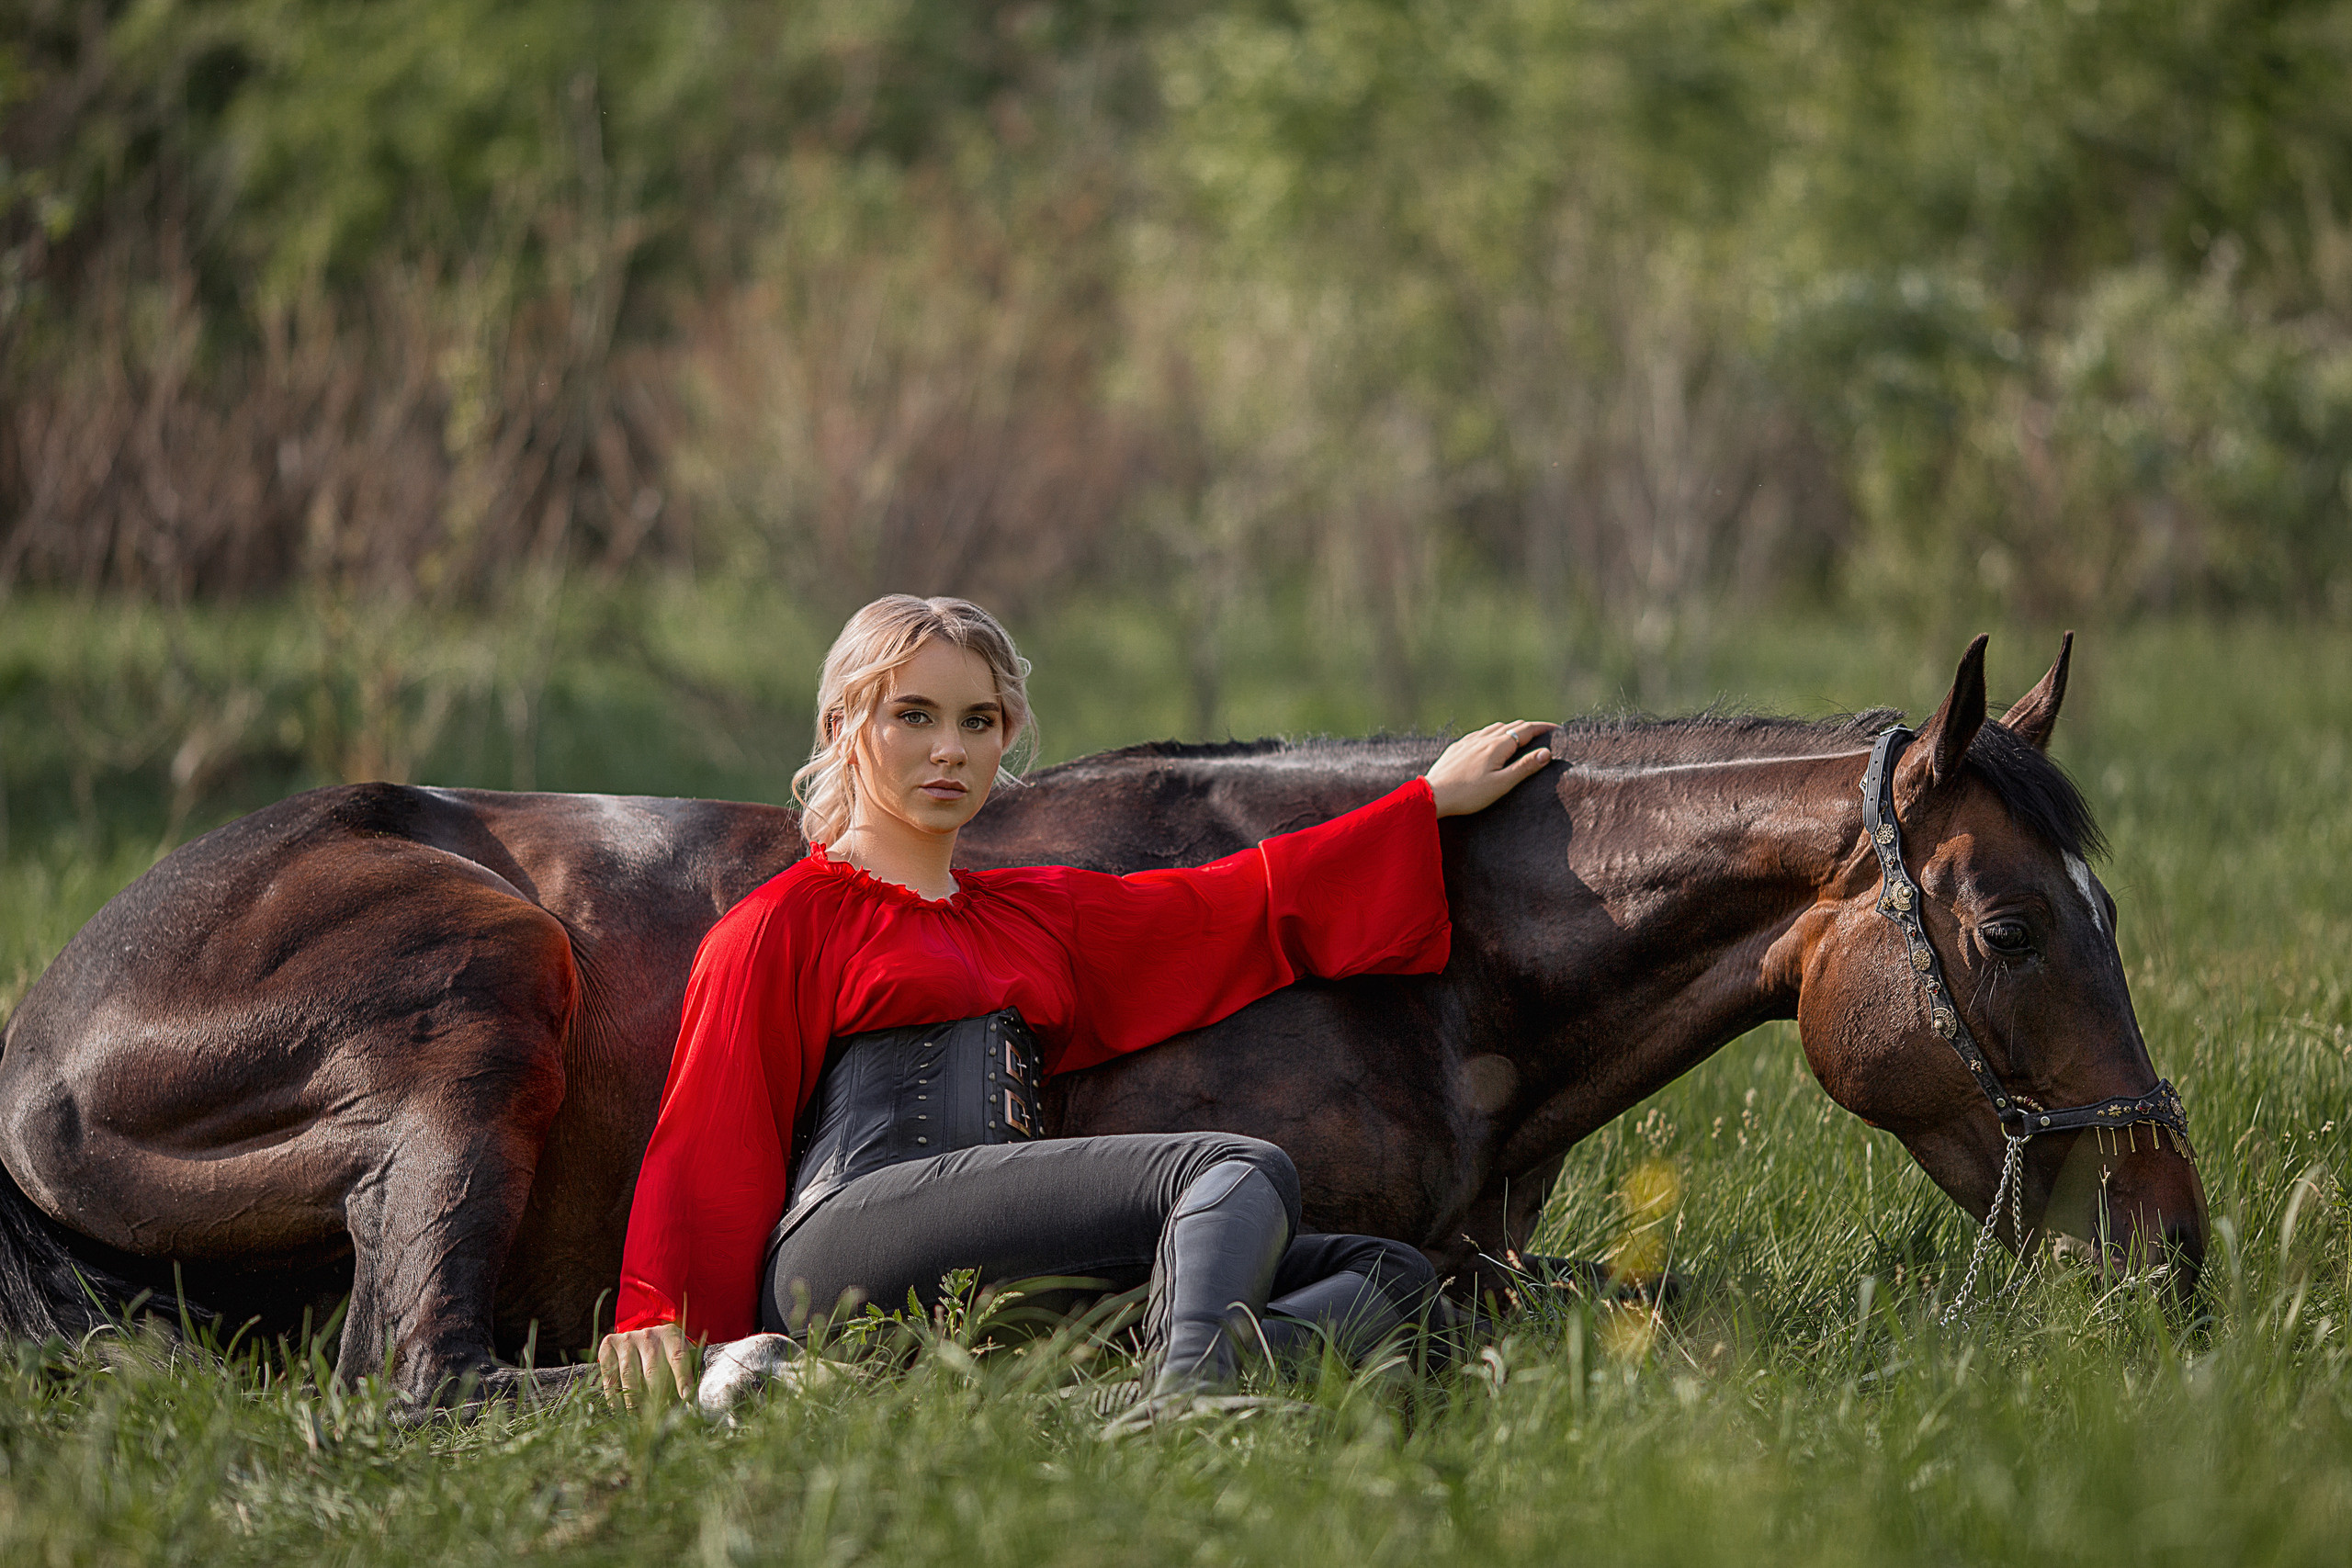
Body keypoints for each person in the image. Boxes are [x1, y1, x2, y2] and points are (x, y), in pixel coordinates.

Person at [597, 595, 1551, 1412]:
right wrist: (660, 1314)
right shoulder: (784, 921)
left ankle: (1104, 1406)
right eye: (913, 716)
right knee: (1231, 1168)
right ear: (844, 725)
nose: (949, 749)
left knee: (1394, 1278)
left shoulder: (1036, 914)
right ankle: (1185, 1412)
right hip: (850, 1249)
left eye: (978, 722)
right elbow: (711, 1133)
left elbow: (1240, 904)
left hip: (1001, 1261)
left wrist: (1422, 806)